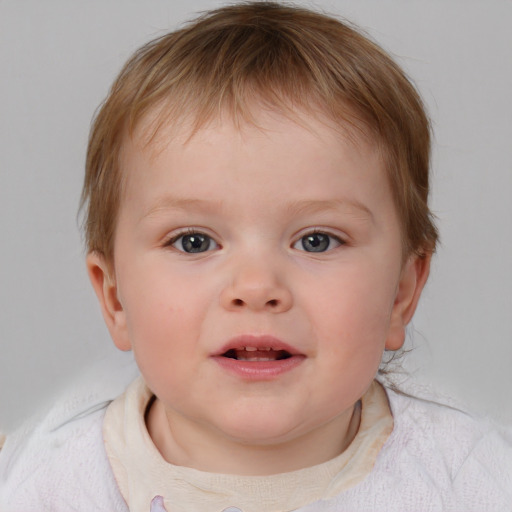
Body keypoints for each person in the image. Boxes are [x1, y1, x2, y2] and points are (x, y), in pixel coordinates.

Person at [0, 2, 511, 511]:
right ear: (114, 299)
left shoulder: (471, 477)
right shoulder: (43, 480)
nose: (256, 286)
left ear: (402, 292)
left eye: (317, 240)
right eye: (194, 241)